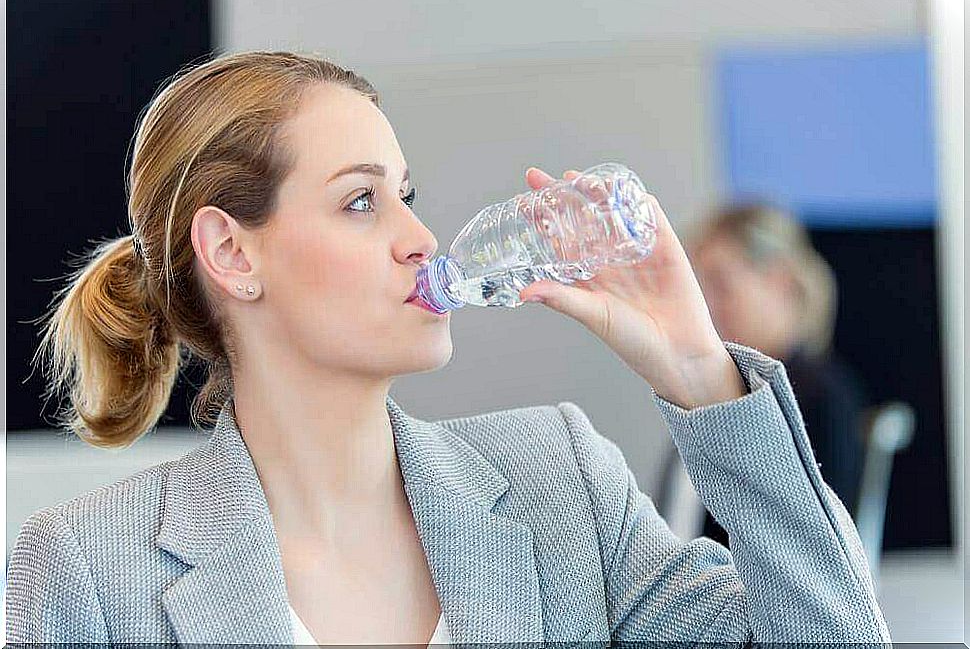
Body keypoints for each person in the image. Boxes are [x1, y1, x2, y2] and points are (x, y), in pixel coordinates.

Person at [5, 50, 889, 645]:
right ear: (233, 253)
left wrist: (701, 372)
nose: (422, 236)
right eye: (362, 201)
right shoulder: (86, 570)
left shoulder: (563, 485)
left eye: (408, 194)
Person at [687, 204, 871, 548]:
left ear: (779, 280)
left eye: (721, 285)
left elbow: (812, 545)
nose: (708, 307)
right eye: (702, 290)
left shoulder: (819, 395)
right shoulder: (730, 391)